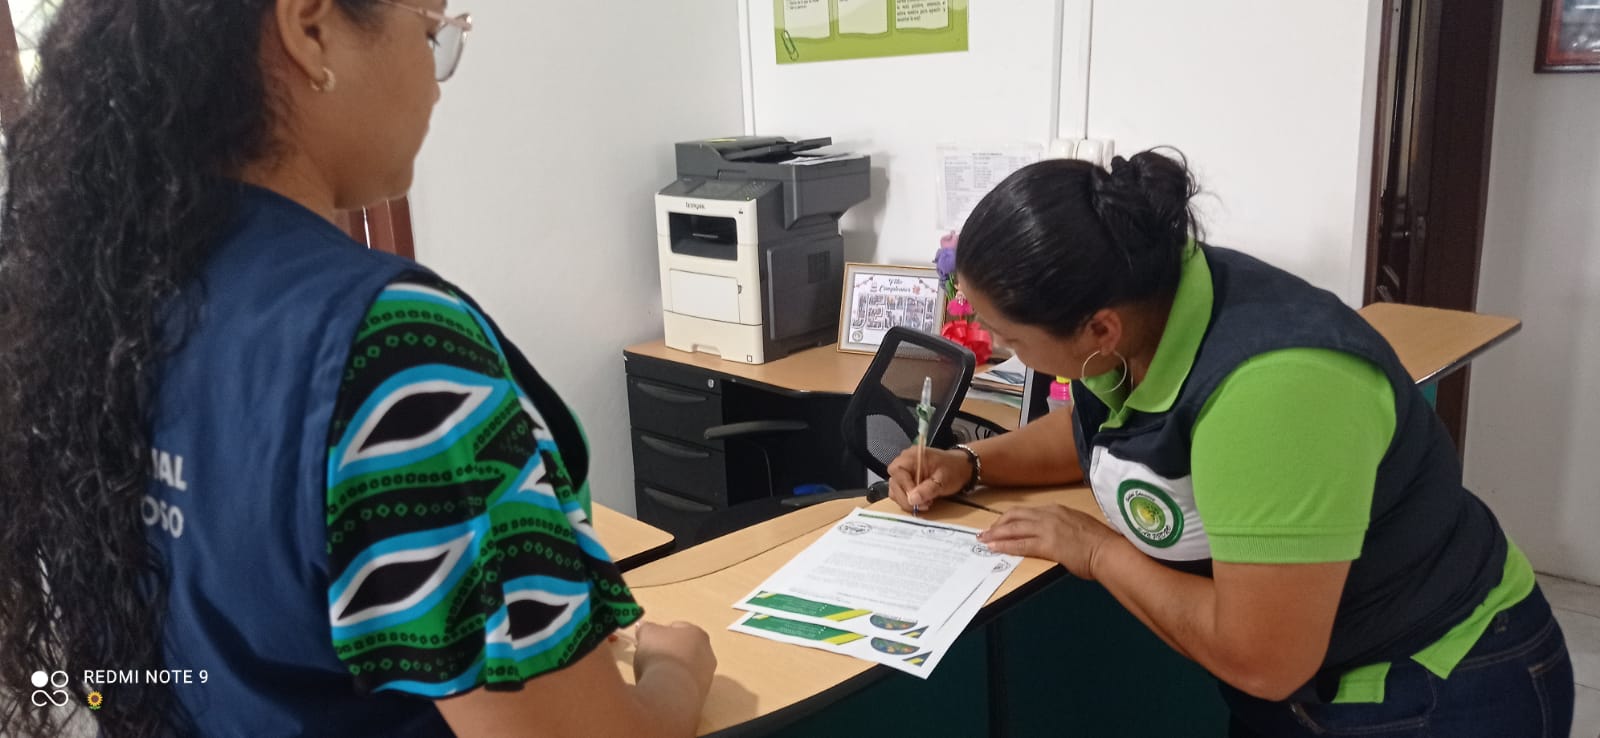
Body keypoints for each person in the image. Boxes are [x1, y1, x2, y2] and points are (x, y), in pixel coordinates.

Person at [0, 1, 715, 736]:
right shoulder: (387, 347)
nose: (436, 84)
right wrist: (678, 670)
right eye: (431, 34)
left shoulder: (95, 307)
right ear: (311, 30)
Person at [886, 151, 1575, 737]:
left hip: (1429, 685)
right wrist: (970, 462)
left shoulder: (1275, 392)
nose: (998, 347)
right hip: (1302, 688)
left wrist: (1095, 551)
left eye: (1008, 336)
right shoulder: (1145, 298)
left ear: (1099, 330)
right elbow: (1098, 433)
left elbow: (1265, 659)